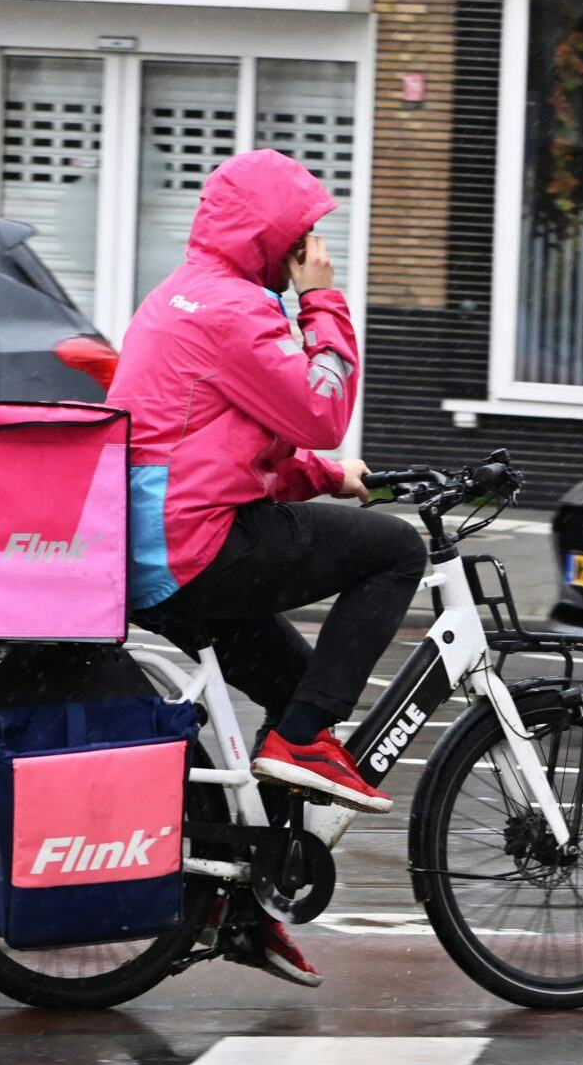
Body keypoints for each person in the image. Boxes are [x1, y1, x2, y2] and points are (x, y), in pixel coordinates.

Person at [109, 148, 428, 988]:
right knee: (398, 551)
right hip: (198, 549)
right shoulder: (235, 311)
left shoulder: (187, 294)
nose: (314, 247)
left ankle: (247, 912)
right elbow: (321, 409)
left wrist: (328, 479)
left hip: (157, 550)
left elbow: (224, 444)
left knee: (296, 689)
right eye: (305, 235)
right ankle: (304, 741)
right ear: (272, 238)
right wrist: (323, 299)